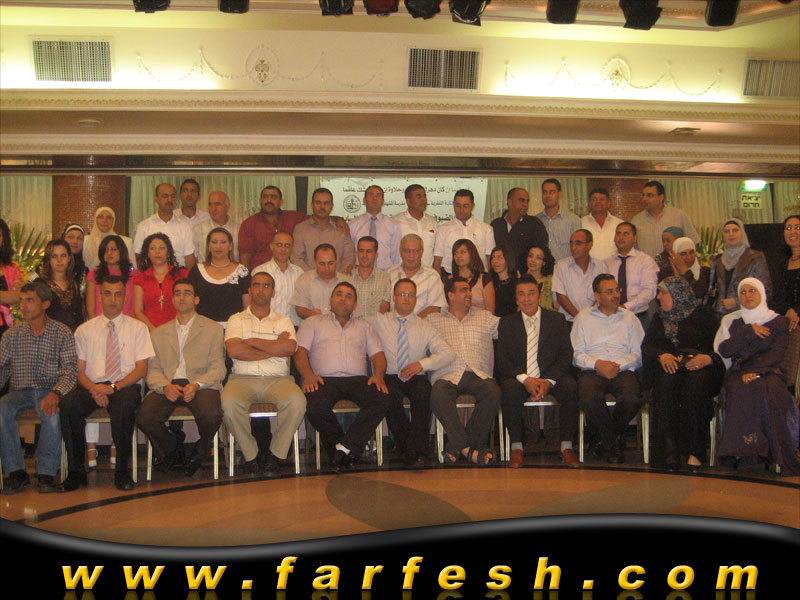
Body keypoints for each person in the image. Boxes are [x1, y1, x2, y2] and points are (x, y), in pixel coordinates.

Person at [59, 276, 154, 491]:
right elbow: (79, 371)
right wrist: (95, 389)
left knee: (124, 407)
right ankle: (76, 471)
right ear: (100, 297)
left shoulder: (138, 328)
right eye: (108, 294)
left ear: (125, 298)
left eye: (118, 294)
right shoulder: (84, 330)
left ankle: (122, 471)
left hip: (124, 385)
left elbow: (141, 369)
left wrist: (112, 388)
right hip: (92, 386)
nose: (112, 299)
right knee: (68, 405)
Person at [295, 281, 390, 472]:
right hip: (322, 379)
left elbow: (378, 355)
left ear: (355, 304)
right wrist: (308, 375)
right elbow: (300, 352)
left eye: (348, 296)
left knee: (382, 399)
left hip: (357, 380)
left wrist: (379, 375)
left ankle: (343, 450)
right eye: (338, 294)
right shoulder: (312, 322)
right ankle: (344, 451)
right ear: (331, 300)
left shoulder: (364, 326)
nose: (343, 299)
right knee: (313, 405)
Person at [137, 279, 225, 478]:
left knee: (211, 414)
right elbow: (153, 369)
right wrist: (164, 386)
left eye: (187, 293)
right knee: (144, 416)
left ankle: (201, 449)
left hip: (200, 383)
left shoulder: (213, 329)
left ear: (196, 299)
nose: (182, 297)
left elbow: (218, 367)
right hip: (169, 383)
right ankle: (172, 447)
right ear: (172, 300)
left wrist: (197, 384)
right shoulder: (159, 333)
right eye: (177, 293)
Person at [222, 272, 307, 477]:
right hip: (241, 380)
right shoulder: (236, 319)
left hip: (278, 380)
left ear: (273, 292)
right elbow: (234, 350)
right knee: (228, 403)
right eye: (257, 285)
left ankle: (275, 455)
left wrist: (251, 341)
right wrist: (274, 346)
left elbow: (289, 348)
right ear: (250, 290)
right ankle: (251, 455)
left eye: (266, 286)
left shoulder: (283, 320)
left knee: (297, 401)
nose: (261, 290)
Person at [713, 277, 800, 475]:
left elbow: (777, 353)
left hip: (770, 371)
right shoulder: (732, 320)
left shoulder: (779, 321)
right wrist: (748, 331)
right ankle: (743, 452)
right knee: (740, 388)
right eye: (743, 292)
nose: (747, 296)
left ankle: (772, 451)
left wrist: (757, 372)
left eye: (752, 291)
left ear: (762, 293)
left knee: (768, 390)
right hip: (739, 371)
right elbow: (725, 350)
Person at [0, 281, 77, 494]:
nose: (23, 306)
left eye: (30, 300)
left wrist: (56, 392)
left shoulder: (61, 332)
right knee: (1, 409)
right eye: (21, 301)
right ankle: (16, 472)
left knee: (51, 412)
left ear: (45, 304)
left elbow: (70, 370)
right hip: (19, 391)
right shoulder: (12, 335)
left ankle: (46, 473)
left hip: (49, 390)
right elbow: (2, 369)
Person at [368, 278, 454, 467]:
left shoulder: (424, 326)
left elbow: (448, 353)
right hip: (390, 376)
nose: (406, 299)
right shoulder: (378, 321)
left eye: (411, 295)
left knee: (424, 395)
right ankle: (413, 451)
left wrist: (422, 364)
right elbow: (355, 326)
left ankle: (414, 451)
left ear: (415, 299)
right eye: (402, 294)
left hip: (416, 376)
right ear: (394, 298)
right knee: (387, 396)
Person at [642, 276, 724, 471]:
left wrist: (708, 358)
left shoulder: (703, 314)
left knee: (695, 386)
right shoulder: (659, 318)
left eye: (663, 292)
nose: (658, 297)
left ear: (677, 294)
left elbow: (719, 346)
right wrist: (661, 355)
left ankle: (695, 452)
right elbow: (648, 347)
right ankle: (668, 452)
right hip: (672, 367)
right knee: (664, 384)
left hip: (700, 366)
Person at [497, 275, 579, 468]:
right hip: (521, 377)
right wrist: (526, 379)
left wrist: (549, 381)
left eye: (531, 293)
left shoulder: (557, 320)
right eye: (521, 294)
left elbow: (565, 355)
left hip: (550, 376)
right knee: (509, 389)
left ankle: (566, 446)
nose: (526, 299)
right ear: (516, 298)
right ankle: (517, 447)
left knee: (570, 386)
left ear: (539, 296)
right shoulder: (507, 323)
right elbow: (503, 359)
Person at [426, 277, 501, 466]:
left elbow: (511, 329)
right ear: (450, 295)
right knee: (438, 394)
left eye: (469, 290)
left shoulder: (485, 317)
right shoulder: (433, 320)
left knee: (493, 392)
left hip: (478, 374)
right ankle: (471, 450)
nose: (469, 294)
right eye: (463, 290)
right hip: (447, 375)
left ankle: (458, 446)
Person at [571, 274, 644, 464]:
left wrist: (616, 366)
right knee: (589, 398)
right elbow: (577, 355)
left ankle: (605, 441)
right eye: (610, 291)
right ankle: (614, 443)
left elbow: (638, 354)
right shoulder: (583, 318)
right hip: (593, 370)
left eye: (617, 290)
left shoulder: (630, 318)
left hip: (623, 370)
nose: (616, 295)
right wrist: (598, 365)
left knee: (631, 399)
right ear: (597, 296)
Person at [187, 227, 250, 327]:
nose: (218, 246)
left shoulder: (242, 271)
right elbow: (190, 304)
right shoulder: (197, 271)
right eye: (214, 242)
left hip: (234, 329)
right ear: (209, 246)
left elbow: (247, 307)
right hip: (203, 328)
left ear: (230, 246)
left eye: (223, 242)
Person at [711, 218, 771, 318]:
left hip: (747, 313)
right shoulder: (717, 260)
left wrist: (737, 302)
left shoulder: (755, 257)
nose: (731, 234)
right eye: (727, 231)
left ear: (742, 233)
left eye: (735, 230)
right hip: (721, 315)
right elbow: (712, 291)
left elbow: (766, 291)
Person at [238, 185, 309, 272]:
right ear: (260, 201)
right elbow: (245, 257)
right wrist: (246, 278)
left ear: (281, 202)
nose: (269, 200)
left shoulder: (294, 217)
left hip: (289, 273)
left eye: (273, 197)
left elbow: (316, 219)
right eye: (265, 197)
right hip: (260, 275)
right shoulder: (249, 224)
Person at [132, 233, 189, 331]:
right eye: (153, 248)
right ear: (148, 253)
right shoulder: (140, 279)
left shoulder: (183, 275)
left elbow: (189, 306)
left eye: (161, 248)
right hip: (149, 332)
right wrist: (154, 332)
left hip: (179, 330)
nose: (157, 252)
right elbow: (138, 312)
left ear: (168, 252)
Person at [133, 182, 196, 269]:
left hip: (178, 273)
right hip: (151, 273)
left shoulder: (184, 227)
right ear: (156, 198)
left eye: (172, 196)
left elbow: (189, 258)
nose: (169, 200)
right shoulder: (144, 226)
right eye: (165, 196)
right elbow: (138, 256)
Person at [292, 188, 355, 273]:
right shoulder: (300, 229)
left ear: (332, 206)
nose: (322, 207)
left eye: (326, 203)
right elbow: (296, 258)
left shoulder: (341, 229)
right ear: (312, 205)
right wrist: (313, 277)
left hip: (337, 279)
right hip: (308, 279)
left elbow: (349, 257)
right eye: (318, 203)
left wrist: (337, 276)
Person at [605, 222, 658, 322]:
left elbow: (649, 291)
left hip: (638, 316)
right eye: (618, 233)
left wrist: (625, 307)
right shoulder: (607, 263)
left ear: (635, 238)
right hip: (612, 317)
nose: (621, 237)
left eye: (625, 234)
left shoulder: (645, 261)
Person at [631, 181, 699, 259]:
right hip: (645, 266)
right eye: (643, 195)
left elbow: (693, 242)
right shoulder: (636, 221)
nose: (644, 199)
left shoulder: (678, 215)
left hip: (674, 266)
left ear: (661, 197)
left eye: (649, 195)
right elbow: (633, 249)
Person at [433, 189, 494, 275]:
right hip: (450, 277)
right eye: (458, 206)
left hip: (479, 277)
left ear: (472, 206)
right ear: (453, 205)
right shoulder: (443, 230)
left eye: (465, 206)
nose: (461, 210)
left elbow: (490, 259)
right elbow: (437, 261)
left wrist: (489, 280)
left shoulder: (486, 229)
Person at [552, 229, 608, 322]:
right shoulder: (561, 266)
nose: (573, 248)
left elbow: (603, 294)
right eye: (571, 243)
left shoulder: (600, 267)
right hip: (568, 322)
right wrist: (580, 318)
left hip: (595, 320)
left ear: (589, 245)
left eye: (578, 243)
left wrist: (589, 317)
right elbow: (561, 297)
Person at [386, 234, 446, 317]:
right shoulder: (389, 274)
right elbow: (383, 304)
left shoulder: (432, 276)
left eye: (416, 251)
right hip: (391, 323)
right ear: (400, 252)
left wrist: (412, 322)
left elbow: (435, 308)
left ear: (422, 252)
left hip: (422, 323)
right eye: (407, 251)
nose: (411, 255)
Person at [252, 231, 303, 329]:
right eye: (279, 245)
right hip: (266, 326)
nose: (283, 249)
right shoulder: (259, 271)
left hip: (293, 326)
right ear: (271, 246)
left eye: (287, 245)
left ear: (292, 248)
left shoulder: (299, 273)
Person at [290, 244, 354, 320]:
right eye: (322, 264)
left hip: (340, 326)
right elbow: (299, 309)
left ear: (336, 261)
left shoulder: (347, 281)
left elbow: (354, 311)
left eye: (330, 263)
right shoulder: (304, 279)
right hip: (312, 325)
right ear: (315, 262)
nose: (327, 268)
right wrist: (310, 313)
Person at [490, 187, 549, 270]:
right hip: (500, 275)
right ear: (510, 202)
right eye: (522, 200)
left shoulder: (535, 224)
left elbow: (542, 251)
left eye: (527, 201)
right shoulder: (496, 225)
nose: (525, 204)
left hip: (526, 275)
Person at [36, 239, 85, 332]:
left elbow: (79, 317)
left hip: (73, 336)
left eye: (63, 255)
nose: (59, 260)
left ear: (69, 258)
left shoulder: (74, 285)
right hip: (48, 337)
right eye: (54, 256)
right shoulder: (40, 284)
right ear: (48, 259)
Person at [348, 185, 400, 270]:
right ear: (364, 200)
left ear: (383, 201)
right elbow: (350, 254)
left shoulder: (393, 225)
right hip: (360, 273)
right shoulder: (352, 225)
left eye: (378, 195)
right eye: (371, 194)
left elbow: (396, 256)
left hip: (386, 273)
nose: (374, 198)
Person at [86, 234, 139, 318]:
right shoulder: (94, 274)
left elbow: (138, 309)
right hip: (100, 323)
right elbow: (90, 311)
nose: (109, 253)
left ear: (122, 251)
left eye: (113, 249)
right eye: (106, 250)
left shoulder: (134, 276)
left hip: (128, 323)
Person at [391, 184, 439, 268]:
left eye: (424, 196)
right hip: (402, 273)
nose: (423, 200)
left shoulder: (433, 222)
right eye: (418, 196)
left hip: (428, 274)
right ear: (408, 201)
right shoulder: (395, 222)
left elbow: (437, 252)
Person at [445, 238, 495, 313]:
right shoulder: (448, 280)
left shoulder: (484, 279)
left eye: (462, 252)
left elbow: (490, 310)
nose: (458, 256)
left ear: (472, 254)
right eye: (455, 253)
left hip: (481, 319)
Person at [536, 178, 581, 261]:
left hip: (566, 268)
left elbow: (578, 249)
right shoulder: (535, 221)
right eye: (544, 192)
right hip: (542, 268)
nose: (547, 196)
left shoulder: (573, 220)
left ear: (559, 194)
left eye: (551, 192)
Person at [193, 190, 240, 263]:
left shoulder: (239, 229)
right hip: (205, 269)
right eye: (210, 204)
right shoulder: (198, 229)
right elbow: (193, 257)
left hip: (233, 269)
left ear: (227, 206)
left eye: (217, 204)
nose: (213, 209)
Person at [83, 206, 135, 271]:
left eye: (109, 217)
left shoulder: (126, 241)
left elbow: (132, 267)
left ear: (114, 220)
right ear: (95, 220)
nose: (104, 221)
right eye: (100, 217)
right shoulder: (85, 241)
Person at [351, 236, 391, 317]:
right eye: (361, 251)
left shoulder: (384, 278)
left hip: (376, 324)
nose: (364, 255)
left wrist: (372, 323)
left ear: (376, 255)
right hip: (352, 324)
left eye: (368, 251)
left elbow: (385, 307)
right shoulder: (348, 277)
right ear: (357, 253)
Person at [581, 188, 623, 261]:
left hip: (614, 267)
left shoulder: (619, 224)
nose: (598, 202)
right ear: (589, 203)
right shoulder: (580, 223)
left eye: (602, 199)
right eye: (594, 199)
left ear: (609, 203)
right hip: (589, 267)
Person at [0, 218, 22, 337]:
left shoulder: (12, 268)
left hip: (6, 328)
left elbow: (18, 296)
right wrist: (6, 296)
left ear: (3, 240)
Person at [522, 244, 555, 311]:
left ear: (544, 262)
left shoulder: (551, 281)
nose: (533, 260)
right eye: (530, 256)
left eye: (538, 258)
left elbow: (557, 307)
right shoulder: (520, 280)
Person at [489, 245, 519, 318]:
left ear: (508, 259)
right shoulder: (488, 282)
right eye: (493, 257)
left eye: (500, 257)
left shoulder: (516, 283)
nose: (495, 261)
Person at [61, 223, 89, 291]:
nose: (75, 241)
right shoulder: (52, 265)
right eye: (71, 237)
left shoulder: (84, 272)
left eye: (79, 238)